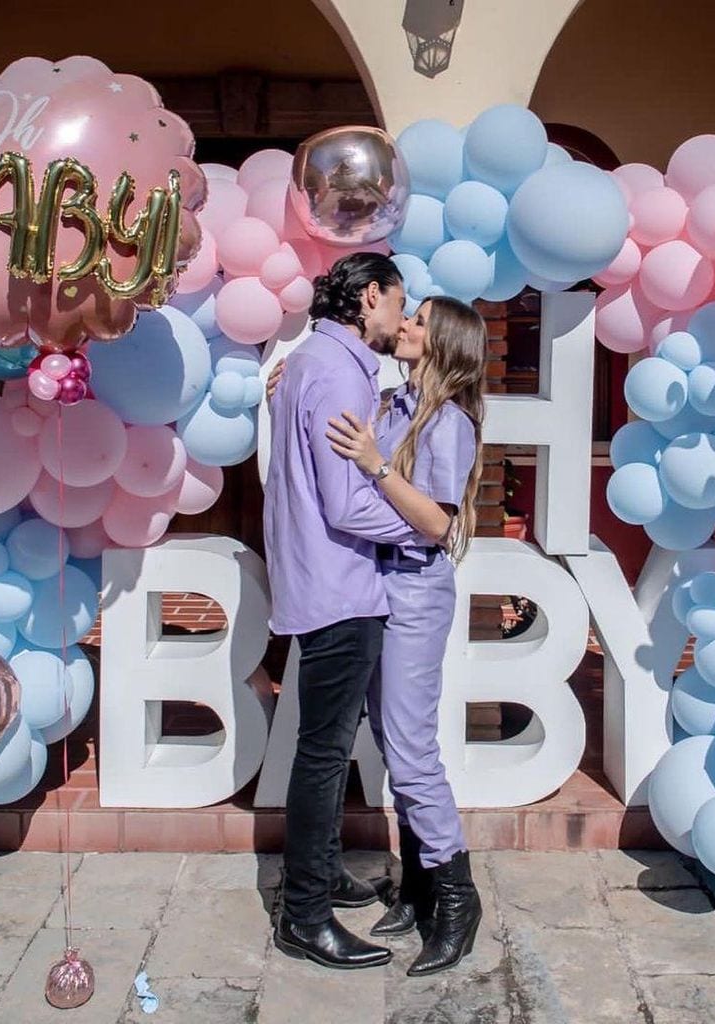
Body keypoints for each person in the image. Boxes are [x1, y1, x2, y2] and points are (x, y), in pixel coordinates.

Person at [269, 295, 488, 977]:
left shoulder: (449, 424)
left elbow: (435, 522)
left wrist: (375, 464)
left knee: (413, 748)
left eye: (419, 321)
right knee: (392, 742)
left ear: (444, 342)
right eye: (409, 314)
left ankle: (457, 896)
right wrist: (290, 387)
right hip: (374, 585)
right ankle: (420, 887)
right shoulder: (393, 405)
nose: (405, 326)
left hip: (417, 591)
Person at [264, 252, 426, 971]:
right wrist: (427, 524)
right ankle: (304, 914)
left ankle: (324, 872)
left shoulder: (313, 364)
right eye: (399, 301)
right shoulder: (332, 371)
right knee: (325, 753)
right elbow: (349, 501)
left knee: (323, 746)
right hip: (339, 586)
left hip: (324, 581)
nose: (401, 316)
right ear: (369, 298)